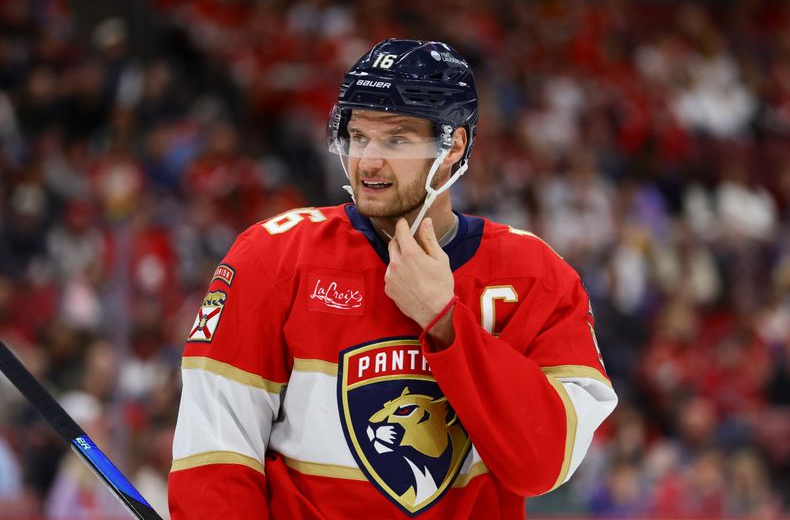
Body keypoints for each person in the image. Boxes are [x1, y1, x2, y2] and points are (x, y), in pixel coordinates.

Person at [168, 38, 618, 519]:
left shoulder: (537, 276)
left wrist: (445, 321)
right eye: (359, 137)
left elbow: (542, 466)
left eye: (396, 139)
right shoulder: (272, 257)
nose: (369, 160)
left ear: (454, 146)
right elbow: (215, 456)